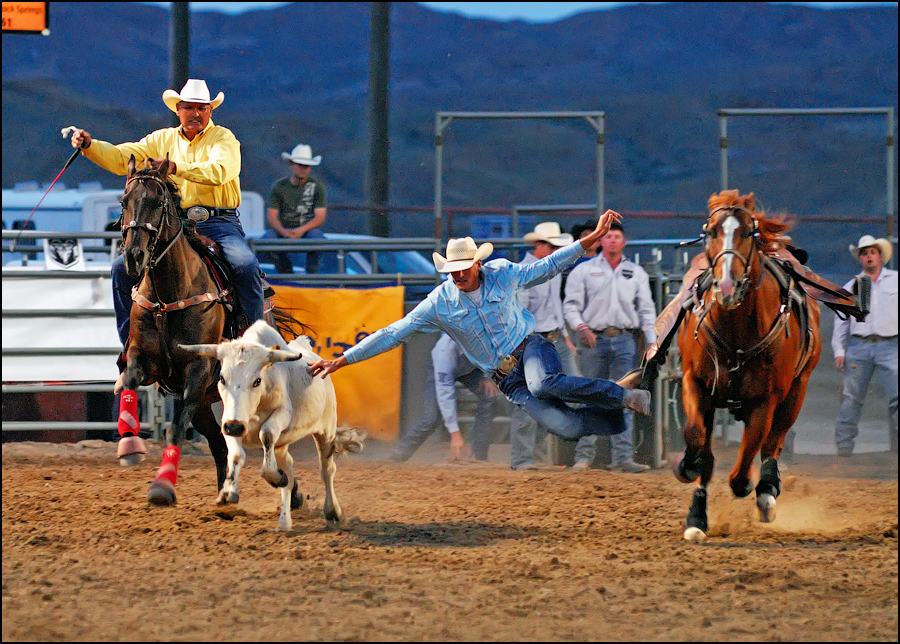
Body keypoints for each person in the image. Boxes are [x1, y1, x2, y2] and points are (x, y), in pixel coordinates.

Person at [309, 209, 652, 445]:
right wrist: (343, 360)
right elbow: (392, 333)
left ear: (477, 263)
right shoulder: (439, 303)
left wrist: (591, 239)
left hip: (530, 346)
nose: (458, 275)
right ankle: (618, 414)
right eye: (453, 270)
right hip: (505, 378)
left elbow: (547, 267)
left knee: (544, 382)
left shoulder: (502, 273)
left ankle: (624, 395)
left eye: (463, 268)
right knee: (564, 427)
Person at [69, 78, 264, 381]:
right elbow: (124, 156)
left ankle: (254, 342)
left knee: (245, 264)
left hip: (218, 222)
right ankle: (131, 345)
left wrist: (176, 168)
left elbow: (221, 171)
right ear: (179, 110)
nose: (195, 113)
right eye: (189, 108)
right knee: (122, 268)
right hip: (176, 223)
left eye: (201, 108)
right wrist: (91, 147)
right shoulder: (162, 139)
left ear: (210, 111)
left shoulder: (224, 139)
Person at [564, 221, 658, 473]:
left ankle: (622, 458)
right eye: (609, 237)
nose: (613, 241)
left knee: (623, 397)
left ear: (623, 241)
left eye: (617, 236)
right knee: (591, 395)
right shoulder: (583, 271)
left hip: (625, 338)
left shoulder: (635, 273)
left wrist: (651, 340)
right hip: (593, 338)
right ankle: (584, 456)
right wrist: (581, 327)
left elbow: (647, 310)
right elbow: (570, 305)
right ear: (601, 241)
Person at [510, 222, 578, 471]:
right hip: (531, 340)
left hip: (554, 338)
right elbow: (519, 312)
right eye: (552, 245)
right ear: (539, 245)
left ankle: (532, 454)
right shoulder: (522, 272)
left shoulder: (551, 269)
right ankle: (523, 458)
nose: (555, 250)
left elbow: (554, 306)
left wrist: (565, 336)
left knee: (569, 393)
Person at [832, 234, 897, 457]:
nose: (868, 256)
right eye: (864, 253)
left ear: (880, 256)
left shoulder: (896, 281)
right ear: (860, 259)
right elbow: (841, 322)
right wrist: (839, 351)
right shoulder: (850, 287)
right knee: (851, 397)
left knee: (897, 396)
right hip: (859, 345)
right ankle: (844, 446)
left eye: (872, 252)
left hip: (891, 344)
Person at [390, 333, 500, 462]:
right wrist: (455, 434)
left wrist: (488, 376)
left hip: (472, 367)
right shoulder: (444, 353)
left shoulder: (489, 336)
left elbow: (500, 356)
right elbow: (445, 394)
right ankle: (400, 452)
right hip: (447, 365)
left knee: (489, 396)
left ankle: (479, 456)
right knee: (431, 418)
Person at [262, 144, 327, 274]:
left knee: (318, 239)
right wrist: (283, 231)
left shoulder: (317, 187)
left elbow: (320, 217)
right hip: (284, 230)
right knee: (267, 240)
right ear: (292, 164)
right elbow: (271, 215)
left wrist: (301, 230)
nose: (303, 169)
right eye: (299, 164)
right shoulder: (279, 187)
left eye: (306, 166)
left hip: (307, 231)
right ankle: (284, 269)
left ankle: (312, 272)